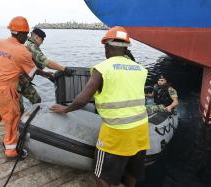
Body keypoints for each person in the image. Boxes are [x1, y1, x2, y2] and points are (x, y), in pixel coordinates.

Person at [50, 26, 150, 187]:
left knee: (101, 175)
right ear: (126, 47)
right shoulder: (140, 69)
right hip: (141, 129)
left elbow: (83, 100)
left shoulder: (103, 68)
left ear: (107, 47)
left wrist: (65, 109)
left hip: (116, 133)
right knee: (132, 172)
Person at [0, 16, 47, 158]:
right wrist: (49, 75)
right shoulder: (22, 51)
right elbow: (32, 72)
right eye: (27, 34)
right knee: (12, 116)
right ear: (22, 34)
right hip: (2, 89)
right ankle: (11, 150)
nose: (27, 37)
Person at [18, 27, 72, 113]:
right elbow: (46, 62)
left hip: (23, 81)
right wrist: (64, 69)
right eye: (42, 40)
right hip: (15, 83)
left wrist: (46, 74)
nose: (42, 43)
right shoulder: (31, 46)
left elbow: (34, 68)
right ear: (37, 37)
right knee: (18, 110)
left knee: (36, 100)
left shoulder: (27, 44)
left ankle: (33, 119)